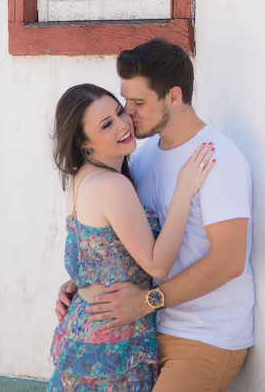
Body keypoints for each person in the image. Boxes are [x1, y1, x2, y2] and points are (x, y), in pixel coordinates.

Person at [56, 40, 254, 392]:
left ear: (174, 97)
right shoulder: (140, 156)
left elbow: (229, 260)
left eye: (139, 103)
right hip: (143, 332)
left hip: (204, 336)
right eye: (125, 103)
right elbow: (125, 241)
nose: (128, 115)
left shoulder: (217, 158)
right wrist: (87, 284)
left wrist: (147, 302)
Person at [49, 83, 214, 392]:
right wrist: (184, 191)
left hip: (83, 333)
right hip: (112, 346)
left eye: (119, 112)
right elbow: (157, 265)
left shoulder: (79, 181)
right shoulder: (112, 186)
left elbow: (96, 252)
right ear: (84, 143)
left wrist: (78, 284)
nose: (123, 124)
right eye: (106, 125)